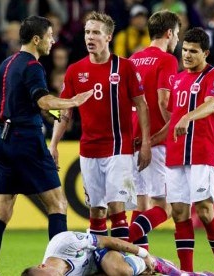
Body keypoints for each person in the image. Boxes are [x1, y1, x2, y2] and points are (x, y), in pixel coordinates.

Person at [0, 15, 93, 276]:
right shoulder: (34, 66)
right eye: (49, 35)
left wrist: (59, 116)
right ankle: (57, 271)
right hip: (27, 140)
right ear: (36, 39)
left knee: (1, 210)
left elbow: (23, 103)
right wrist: (73, 102)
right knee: (58, 205)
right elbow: (43, 101)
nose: (53, 40)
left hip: (4, 139)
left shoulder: (6, 64)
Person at [50, 11, 152, 242]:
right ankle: (99, 264)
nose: (90, 37)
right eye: (87, 32)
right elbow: (64, 111)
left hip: (119, 150)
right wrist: (53, 144)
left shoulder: (124, 68)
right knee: (96, 212)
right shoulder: (75, 70)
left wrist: (145, 143)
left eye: (96, 32)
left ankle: (123, 263)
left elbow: (142, 106)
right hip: (88, 151)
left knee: (117, 210)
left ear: (108, 37)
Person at [165, 27, 214, 276]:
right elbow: (173, 118)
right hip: (175, 154)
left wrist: (187, 118)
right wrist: (150, 139)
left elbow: (211, 105)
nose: (187, 55)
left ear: (205, 52)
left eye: (193, 51)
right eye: (184, 50)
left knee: (204, 211)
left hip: (202, 153)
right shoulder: (178, 79)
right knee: (180, 213)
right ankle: (186, 272)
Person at [127, 10, 181, 250]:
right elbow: (162, 100)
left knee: (140, 203)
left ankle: (138, 261)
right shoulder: (167, 60)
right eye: (177, 34)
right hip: (155, 142)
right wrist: (176, 124)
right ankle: (119, 242)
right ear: (169, 33)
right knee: (166, 206)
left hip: (132, 139)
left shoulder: (132, 59)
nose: (177, 39)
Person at [21, 231, 214, 276]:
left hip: (102, 253)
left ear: (42, 266)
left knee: (119, 270)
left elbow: (107, 240)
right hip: (98, 271)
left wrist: (142, 253)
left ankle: (156, 261)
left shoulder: (65, 243)